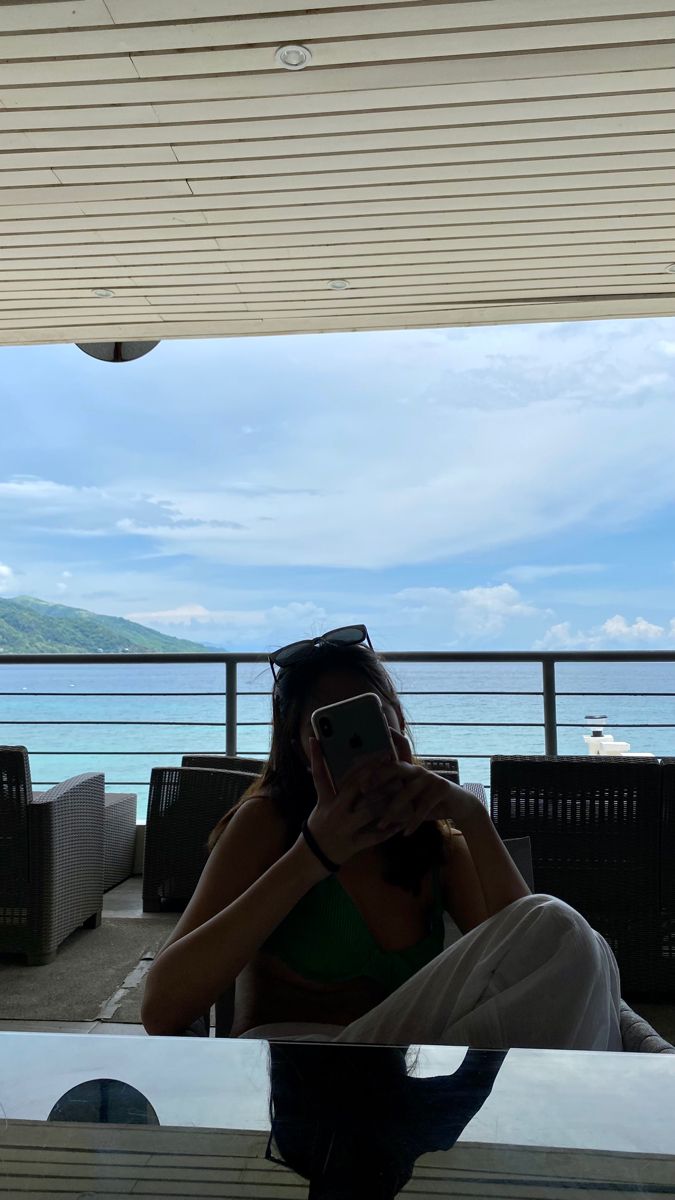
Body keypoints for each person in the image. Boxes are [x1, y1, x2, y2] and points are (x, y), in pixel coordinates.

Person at [142, 625, 622, 1050]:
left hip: (401, 1075)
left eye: (370, 718)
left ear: (398, 726)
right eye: (330, 727)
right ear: (301, 749)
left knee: (573, 938)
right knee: (566, 930)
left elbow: (529, 954)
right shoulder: (268, 825)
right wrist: (312, 855)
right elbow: (161, 1009)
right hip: (298, 1070)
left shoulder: (431, 842)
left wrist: (471, 816)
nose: (355, 743)